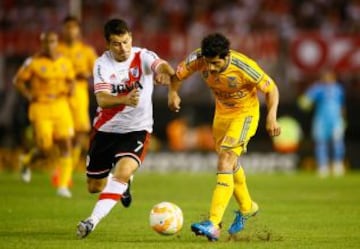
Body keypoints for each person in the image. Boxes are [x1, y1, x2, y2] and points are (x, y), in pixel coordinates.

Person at [168, 33, 281, 241]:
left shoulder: (243, 66)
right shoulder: (198, 59)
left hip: (245, 114)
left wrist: (272, 117)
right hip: (221, 115)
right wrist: (173, 94)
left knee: (225, 159)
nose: (210, 68)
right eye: (208, 63)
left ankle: (213, 223)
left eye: (215, 63)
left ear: (226, 56)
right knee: (230, 163)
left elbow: (271, 88)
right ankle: (247, 207)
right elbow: (176, 76)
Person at [76, 18, 175, 239]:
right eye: (117, 44)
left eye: (126, 41)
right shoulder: (102, 64)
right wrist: (124, 99)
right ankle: (125, 183)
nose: (123, 48)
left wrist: (167, 75)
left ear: (131, 37)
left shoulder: (143, 56)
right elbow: (102, 99)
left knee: (121, 172)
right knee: (94, 186)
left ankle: (91, 221)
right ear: (108, 45)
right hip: (106, 130)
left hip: (137, 130)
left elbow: (162, 65)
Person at [13, 31, 75, 198]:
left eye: (53, 41)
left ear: (57, 42)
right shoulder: (33, 62)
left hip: (61, 106)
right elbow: (18, 81)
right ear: (42, 44)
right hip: (40, 106)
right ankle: (26, 161)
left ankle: (63, 186)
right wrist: (28, 95)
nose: (50, 45)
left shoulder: (65, 61)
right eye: (46, 42)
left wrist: (70, 90)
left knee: (66, 144)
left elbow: (71, 80)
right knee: (45, 148)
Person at [56, 16, 97, 186]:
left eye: (74, 27)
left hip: (79, 95)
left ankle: (67, 171)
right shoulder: (56, 49)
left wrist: (86, 74)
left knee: (80, 133)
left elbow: (97, 70)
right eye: (68, 27)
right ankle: (62, 171)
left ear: (78, 30)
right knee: (63, 135)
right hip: (60, 96)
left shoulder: (87, 51)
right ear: (63, 29)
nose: (71, 30)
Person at [298, 70, 346, 177]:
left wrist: (343, 119)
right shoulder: (318, 88)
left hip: (336, 120)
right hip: (321, 120)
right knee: (321, 142)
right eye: (325, 76)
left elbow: (342, 105)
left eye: (329, 76)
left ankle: (337, 165)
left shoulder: (339, 89)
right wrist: (306, 101)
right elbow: (304, 101)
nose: (327, 78)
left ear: (334, 77)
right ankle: (322, 166)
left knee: (337, 143)